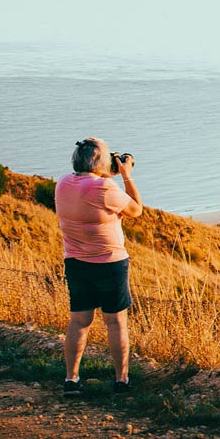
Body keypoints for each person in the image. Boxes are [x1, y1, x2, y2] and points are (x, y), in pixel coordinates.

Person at [55, 138, 145, 396]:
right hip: (109, 263)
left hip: (76, 262)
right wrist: (126, 175)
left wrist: (106, 172)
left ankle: (71, 380)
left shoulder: (63, 183)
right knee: (116, 322)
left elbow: (89, 188)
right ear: (100, 163)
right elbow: (136, 210)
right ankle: (121, 380)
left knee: (79, 321)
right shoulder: (105, 188)